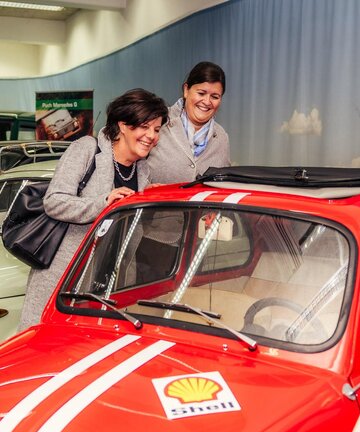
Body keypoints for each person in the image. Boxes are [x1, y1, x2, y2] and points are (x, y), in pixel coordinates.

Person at [18, 88, 168, 331]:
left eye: (157, 130)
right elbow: (54, 201)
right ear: (123, 125)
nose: (151, 136)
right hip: (64, 278)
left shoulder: (142, 171)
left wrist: (148, 197)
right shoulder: (87, 149)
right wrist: (103, 203)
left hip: (106, 286)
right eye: (144, 126)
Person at [147, 61, 230, 183]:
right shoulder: (158, 120)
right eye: (201, 93)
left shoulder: (222, 137)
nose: (207, 102)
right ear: (186, 90)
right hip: (155, 202)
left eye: (215, 97)